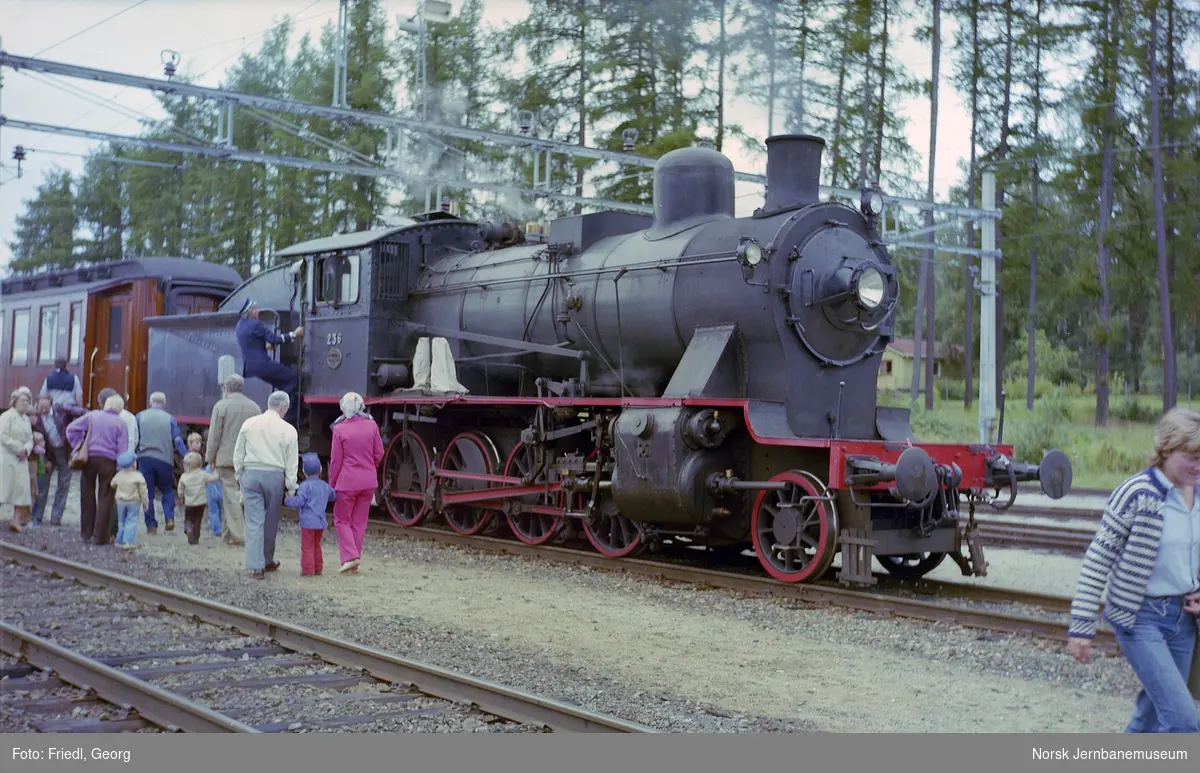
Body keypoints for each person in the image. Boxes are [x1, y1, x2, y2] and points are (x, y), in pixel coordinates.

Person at [1068, 407, 1200, 734]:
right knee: (1183, 722)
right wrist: (1081, 626)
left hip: (1183, 620)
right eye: (1191, 455)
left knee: (1152, 716)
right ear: (1166, 450)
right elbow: (1098, 560)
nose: (1198, 465)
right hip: (1140, 618)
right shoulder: (1136, 493)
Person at [233, 391, 299, 580]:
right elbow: (291, 462)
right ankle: (267, 559)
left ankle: (256, 567)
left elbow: (239, 453)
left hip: (251, 474)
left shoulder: (249, 424)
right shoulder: (289, 430)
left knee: (253, 522)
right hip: (274, 476)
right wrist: (291, 486)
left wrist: (240, 475)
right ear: (283, 407)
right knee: (270, 520)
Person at [328, 392, 384, 574]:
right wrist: (370, 467)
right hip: (368, 481)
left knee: (342, 520)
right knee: (359, 523)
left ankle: (351, 557)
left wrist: (332, 482)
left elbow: (336, 460)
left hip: (347, 482)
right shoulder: (372, 425)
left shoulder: (339, 429)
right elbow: (379, 453)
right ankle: (355, 561)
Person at [66, 394, 129, 545]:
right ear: (120, 407)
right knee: (105, 497)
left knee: (87, 494)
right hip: (109, 462)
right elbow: (122, 449)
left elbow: (71, 429)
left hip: (90, 460)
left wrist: (78, 443)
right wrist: (121, 470)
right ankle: (100, 537)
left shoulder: (92, 416)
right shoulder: (121, 423)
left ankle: (86, 533)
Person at [206, 374, 261, 547]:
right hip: (248, 459)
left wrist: (210, 457)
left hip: (226, 459)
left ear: (226, 388)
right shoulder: (255, 407)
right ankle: (227, 534)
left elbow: (214, 436)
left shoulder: (221, 406)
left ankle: (239, 535)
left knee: (230, 497)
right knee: (235, 496)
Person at [235, 299, 304, 426]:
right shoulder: (255, 324)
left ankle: (288, 410)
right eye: (255, 308)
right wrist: (294, 334)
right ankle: (286, 414)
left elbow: (250, 344)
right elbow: (275, 339)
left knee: (284, 384)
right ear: (250, 312)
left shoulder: (240, 325)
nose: (258, 310)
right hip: (262, 364)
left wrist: (264, 347)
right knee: (294, 377)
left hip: (251, 368)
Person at [135, 392, 189, 534]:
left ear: (150, 402)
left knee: (148, 493)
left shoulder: (140, 417)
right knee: (166, 489)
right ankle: (169, 518)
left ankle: (151, 526)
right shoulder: (170, 418)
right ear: (164, 404)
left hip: (145, 459)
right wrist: (187, 456)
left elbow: (135, 438)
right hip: (165, 460)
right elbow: (177, 440)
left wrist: (134, 456)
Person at [30, 395, 86, 526]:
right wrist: (46, 459)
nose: (43, 410)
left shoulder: (60, 410)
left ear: (51, 404)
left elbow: (82, 412)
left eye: (45, 407)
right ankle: (37, 516)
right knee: (43, 485)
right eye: (40, 407)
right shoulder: (35, 419)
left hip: (64, 451)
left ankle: (56, 517)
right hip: (47, 453)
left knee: (63, 485)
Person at [286, 453, 336, 577]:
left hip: (307, 523)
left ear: (304, 472)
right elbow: (334, 495)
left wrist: (288, 500)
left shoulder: (304, 486)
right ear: (320, 470)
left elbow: (299, 502)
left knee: (307, 546)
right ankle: (318, 568)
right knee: (317, 545)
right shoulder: (325, 486)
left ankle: (308, 570)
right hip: (320, 522)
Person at [1, 388, 35, 532]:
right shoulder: (6, 416)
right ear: (15, 401)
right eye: (22, 400)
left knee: (22, 490)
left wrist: (26, 449)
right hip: (7, 458)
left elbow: (30, 439)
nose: (25, 404)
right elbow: (3, 436)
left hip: (21, 460)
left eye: (27, 401)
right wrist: (17, 449)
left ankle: (16, 521)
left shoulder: (26, 419)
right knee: (2, 488)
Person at [177, 452, 221, 545]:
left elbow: (180, 489)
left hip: (189, 503)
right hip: (201, 503)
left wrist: (181, 497)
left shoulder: (184, 477)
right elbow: (214, 478)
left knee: (188, 518)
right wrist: (216, 469)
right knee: (198, 519)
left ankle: (189, 528)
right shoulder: (203, 474)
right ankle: (196, 536)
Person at [110, 451, 149, 549]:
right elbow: (143, 491)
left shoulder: (119, 475)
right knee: (131, 520)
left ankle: (119, 541)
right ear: (133, 464)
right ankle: (128, 542)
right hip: (133, 501)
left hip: (120, 502)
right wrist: (145, 503)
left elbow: (112, 484)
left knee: (121, 521)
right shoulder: (138, 476)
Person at [188, 433, 223, 538]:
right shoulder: (221, 470)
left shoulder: (206, 470)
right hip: (221, 493)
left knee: (213, 511)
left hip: (211, 495)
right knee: (219, 510)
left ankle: (216, 529)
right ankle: (216, 526)